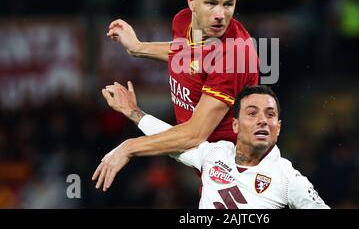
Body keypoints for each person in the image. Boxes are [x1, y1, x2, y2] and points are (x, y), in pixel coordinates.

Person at [93, 0, 258, 191]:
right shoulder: (183, 22)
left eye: (228, 4)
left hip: (240, 180)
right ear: (191, 2)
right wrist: (138, 48)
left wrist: (128, 147)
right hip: (207, 170)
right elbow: (190, 52)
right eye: (211, 3)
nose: (220, 14)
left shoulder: (235, 56)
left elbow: (193, 135)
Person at [93, 85, 329, 209]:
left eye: (270, 115)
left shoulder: (289, 179)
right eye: (252, 113)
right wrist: (135, 113)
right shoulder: (215, 153)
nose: (262, 121)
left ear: (278, 128)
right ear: (235, 125)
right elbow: (170, 140)